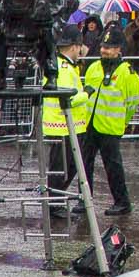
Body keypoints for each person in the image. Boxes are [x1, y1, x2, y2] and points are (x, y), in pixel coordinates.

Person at [80, 31, 139, 216]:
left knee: (113, 166)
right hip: (90, 124)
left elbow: (132, 102)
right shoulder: (94, 67)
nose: (104, 51)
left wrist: (124, 123)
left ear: (119, 49)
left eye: (109, 48)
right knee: (84, 164)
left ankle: (122, 202)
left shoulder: (127, 72)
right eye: (103, 47)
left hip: (111, 127)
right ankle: (84, 199)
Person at [44, 29, 92, 210]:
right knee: (61, 168)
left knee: (69, 166)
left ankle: (55, 201)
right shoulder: (63, 68)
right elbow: (67, 98)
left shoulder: (61, 64)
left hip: (66, 125)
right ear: (74, 47)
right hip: (62, 126)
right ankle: (54, 204)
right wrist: (86, 93)